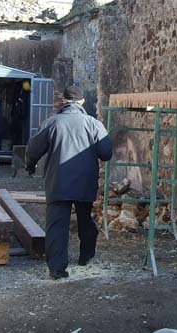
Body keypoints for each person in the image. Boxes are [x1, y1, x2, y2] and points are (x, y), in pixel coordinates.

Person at [25, 86, 112, 280]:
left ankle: (57, 268)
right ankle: (86, 255)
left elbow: (33, 149)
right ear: (82, 102)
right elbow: (106, 153)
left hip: (58, 182)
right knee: (85, 219)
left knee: (57, 224)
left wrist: (29, 165)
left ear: (64, 100)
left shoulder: (51, 123)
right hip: (85, 181)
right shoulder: (93, 124)